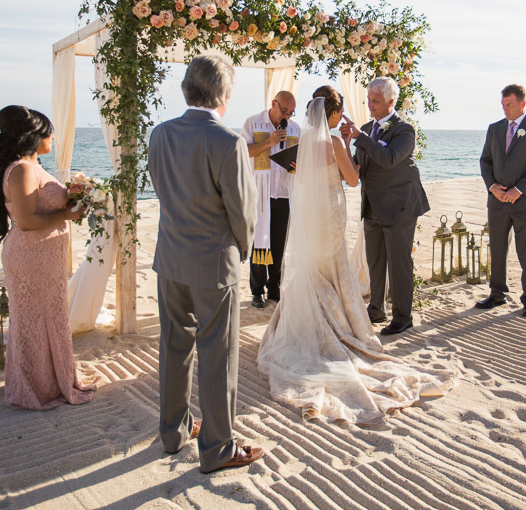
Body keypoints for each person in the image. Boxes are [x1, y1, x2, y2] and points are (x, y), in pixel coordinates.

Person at [257, 89, 454, 423]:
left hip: (310, 214)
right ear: (334, 114)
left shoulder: (302, 142)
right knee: (334, 267)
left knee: (315, 268)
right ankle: (340, 327)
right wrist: (348, 148)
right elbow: (351, 179)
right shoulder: (334, 142)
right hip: (331, 211)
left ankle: (311, 322)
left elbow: (297, 177)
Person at [148, 53, 265, 473]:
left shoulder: (159, 134)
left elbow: (162, 188)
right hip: (214, 263)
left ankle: (173, 432)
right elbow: (243, 211)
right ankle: (218, 448)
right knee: (218, 354)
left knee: (173, 344)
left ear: (186, 89)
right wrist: (244, 251)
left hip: (170, 257)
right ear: (225, 95)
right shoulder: (227, 140)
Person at [0, 105, 95, 410]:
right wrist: (66, 213)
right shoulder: (22, 169)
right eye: (48, 131)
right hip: (30, 257)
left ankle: (53, 379)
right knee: (34, 320)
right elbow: (26, 221)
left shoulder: (34, 167)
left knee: (51, 317)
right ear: (33, 136)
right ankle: (35, 386)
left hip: (45, 257)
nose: (53, 137)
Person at [340, 77, 429, 336]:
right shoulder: (367, 128)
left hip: (400, 206)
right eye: (368, 100)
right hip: (372, 206)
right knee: (374, 261)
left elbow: (389, 158)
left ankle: (403, 316)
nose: (370, 105)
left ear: (391, 102)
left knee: (399, 263)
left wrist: (360, 136)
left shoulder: (405, 130)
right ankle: (376, 308)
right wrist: (345, 143)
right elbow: (358, 165)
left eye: (375, 101)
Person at [476, 84, 526, 317]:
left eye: (509, 105)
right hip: (497, 201)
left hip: (525, 202)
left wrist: (518, 190)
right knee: (497, 249)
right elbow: (485, 161)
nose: (505, 109)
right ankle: (497, 293)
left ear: (522, 104)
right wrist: (492, 187)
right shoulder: (494, 129)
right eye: (503, 105)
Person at [240, 91, 300, 308]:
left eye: (291, 112)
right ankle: (257, 291)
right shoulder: (253, 122)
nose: (287, 116)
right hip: (259, 193)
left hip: (283, 192)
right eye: (284, 111)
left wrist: (297, 165)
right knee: (259, 242)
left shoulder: (295, 128)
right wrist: (270, 141)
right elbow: (244, 151)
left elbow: (299, 158)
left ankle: (275, 288)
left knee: (278, 243)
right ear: (273, 104)